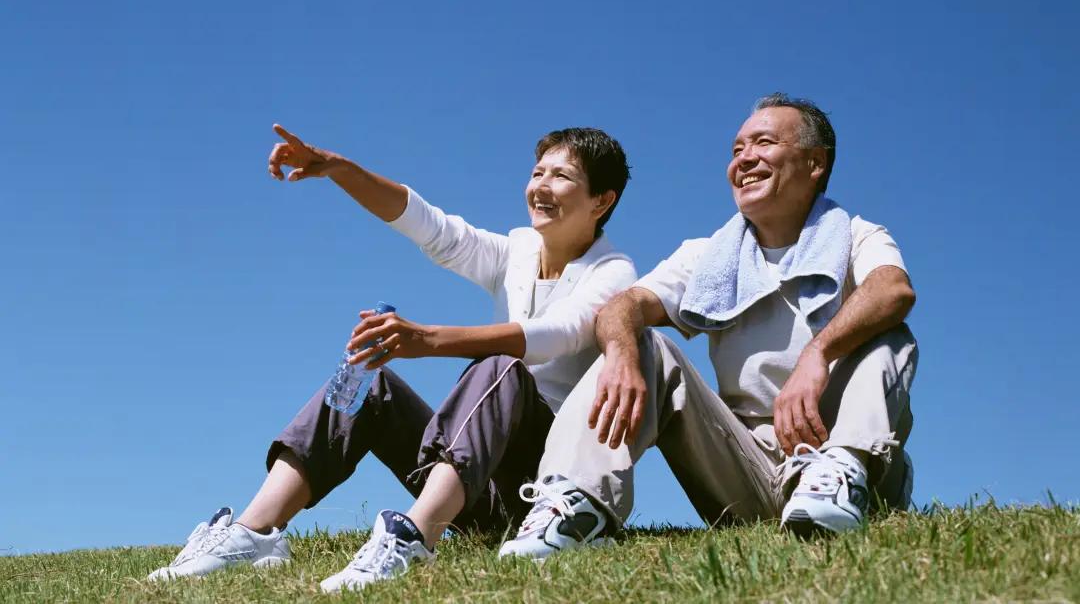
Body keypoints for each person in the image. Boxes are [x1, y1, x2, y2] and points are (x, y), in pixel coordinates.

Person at [148, 124, 636, 590]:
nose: (541, 186)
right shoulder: (519, 252)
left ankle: (414, 538)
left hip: (541, 496)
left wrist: (426, 339)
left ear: (602, 201)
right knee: (373, 384)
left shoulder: (613, 272)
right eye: (537, 173)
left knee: (501, 366)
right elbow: (433, 227)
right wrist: (341, 170)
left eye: (562, 176)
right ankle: (252, 535)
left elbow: (554, 334)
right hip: (471, 473)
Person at [499, 94, 918, 559]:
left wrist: (816, 353)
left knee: (889, 335)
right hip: (749, 470)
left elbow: (893, 291)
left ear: (815, 163)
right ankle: (573, 507)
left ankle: (839, 478)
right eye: (737, 149)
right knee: (639, 342)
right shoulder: (710, 256)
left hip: (849, 466)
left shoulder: (858, 235)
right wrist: (621, 355)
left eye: (763, 143)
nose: (745, 159)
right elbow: (623, 306)